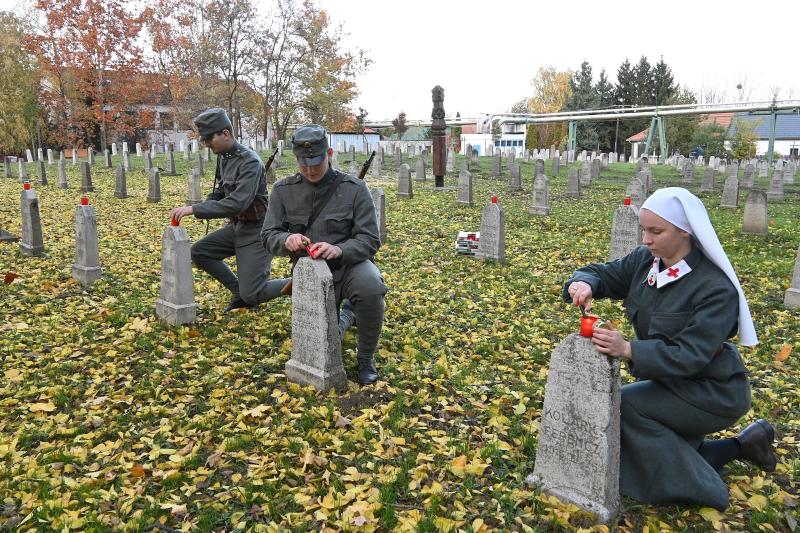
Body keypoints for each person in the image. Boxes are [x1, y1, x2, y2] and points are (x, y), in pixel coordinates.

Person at [564, 187, 777, 511]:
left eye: (655, 231)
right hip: (672, 381)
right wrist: (583, 283)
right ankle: (744, 445)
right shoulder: (646, 260)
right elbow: (603, 274)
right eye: (644, 230)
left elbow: (689, 355)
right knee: (648, 429)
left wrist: (628, 349)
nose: (646, 239)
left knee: (628, 406)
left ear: (684, 231)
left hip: (713, 389)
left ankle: (705, 489)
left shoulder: (715, 288)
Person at [260, 125, 385, 384]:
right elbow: (268, 235)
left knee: (371, 286)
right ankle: (343, 320)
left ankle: (365, 359)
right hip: (309, 270)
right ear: (296, 160)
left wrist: (339, 249)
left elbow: (370, 240)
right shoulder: (283, 191)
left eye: (316, 162)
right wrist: (287, 239)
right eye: (304, 164)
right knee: (323, 335)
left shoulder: (354, 188)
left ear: (328, 153)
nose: (310, 170)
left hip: (348, 265)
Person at [171, 108, 288, 312]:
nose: (206, 144)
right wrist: (206, 206)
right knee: (200, 252)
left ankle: (304, 281)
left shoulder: (250, 162)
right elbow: (220, 191)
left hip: (258, 231)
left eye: (209, 138)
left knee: (253, 293)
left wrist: (195, 209)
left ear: (225, 133)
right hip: (237, 226)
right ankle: (239, 293)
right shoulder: (224, 156)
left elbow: (237, 203)